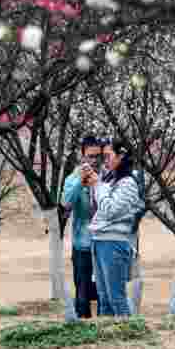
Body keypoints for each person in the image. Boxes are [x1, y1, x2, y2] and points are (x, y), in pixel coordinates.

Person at [87, 138, 143, 318]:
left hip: (114, 243)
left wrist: (97, 185)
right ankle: (106, 339)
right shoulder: (110, 180)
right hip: (99, 241)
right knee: (103, 298)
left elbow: (110, 211)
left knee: (116, 297)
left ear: (121, 156)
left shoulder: (128, 183)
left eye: (108, 156)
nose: (105, 160)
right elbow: (100, 209)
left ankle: (125, 338)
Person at [61, 135, 105, 318]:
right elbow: (65, 203)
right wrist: (81, 181)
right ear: (83, 156)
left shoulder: (105, 176)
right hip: (83, 244)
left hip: (104, 242)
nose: (95, 161)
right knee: (82, 293)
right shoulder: (73, 178)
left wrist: (98, 184)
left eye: (98, 156)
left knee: (104, 291)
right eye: (91, 156)